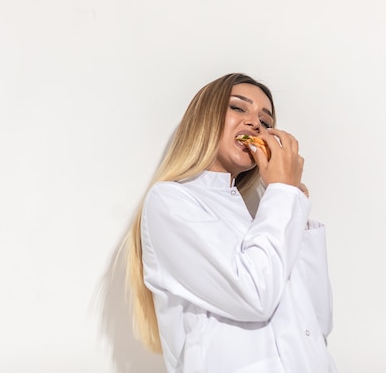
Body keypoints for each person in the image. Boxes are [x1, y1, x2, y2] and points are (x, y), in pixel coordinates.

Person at [123, 73, 337, 373]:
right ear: (204, 118)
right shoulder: (171, 201)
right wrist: (283, 196)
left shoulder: (260, 219)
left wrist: (295, 214)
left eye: (266, 121)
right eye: (238, 108)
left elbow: (318, 323)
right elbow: (254, 296)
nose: (255, 124)